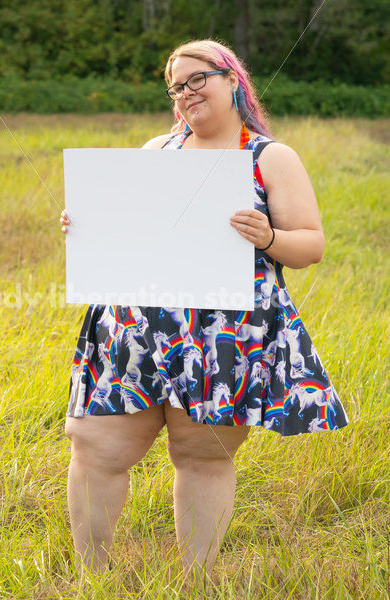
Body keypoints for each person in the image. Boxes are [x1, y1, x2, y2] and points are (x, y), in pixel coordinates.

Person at [59, 39, 349, 579]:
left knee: (202, 455)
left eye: (198, 78)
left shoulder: (269, 158)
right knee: (94, 443)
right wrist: (87, 227)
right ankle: (91, 576)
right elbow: (130, 228)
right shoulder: (157, 151)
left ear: (232, 79)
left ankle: (195, 580)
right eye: (177, 85)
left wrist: (267, 237)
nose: (187, 91)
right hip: (137, 330)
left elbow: (310, 245)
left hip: (224, 339)